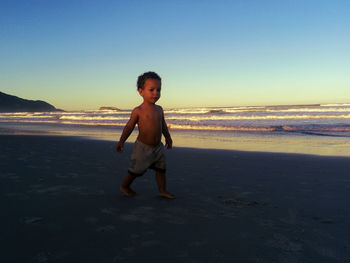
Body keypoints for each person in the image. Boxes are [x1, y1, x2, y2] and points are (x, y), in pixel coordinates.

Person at [116, 72, 176, 199]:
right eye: (152, 90)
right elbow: (129, 127)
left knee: (161, 169)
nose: (156, 93)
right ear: (141, 91)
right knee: (135, 170)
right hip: (142, 148)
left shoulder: (159, 109)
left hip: (157, 147)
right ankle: (125, 186)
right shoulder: (138, 110)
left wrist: (168, 138)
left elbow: (163, 125)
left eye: (159, 90)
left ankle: (162, 190)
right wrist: (121, 141)